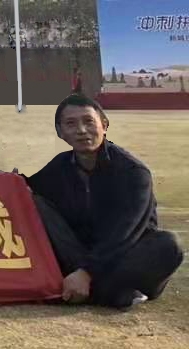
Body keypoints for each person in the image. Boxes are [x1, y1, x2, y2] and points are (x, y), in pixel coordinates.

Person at [27, 95, 183, 309]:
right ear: (60, 132)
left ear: (104, 125)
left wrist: (87, 272)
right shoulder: (59, 166)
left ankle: (93, 289)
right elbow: (28, 187)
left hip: (124, 256)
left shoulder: (133, 172)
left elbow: (125, 234)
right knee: (35, 202)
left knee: (168, 244)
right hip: (78, 254)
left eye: (88, 121)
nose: (82, 130)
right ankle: (112, 294)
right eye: (71, 124)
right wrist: (8, 181)